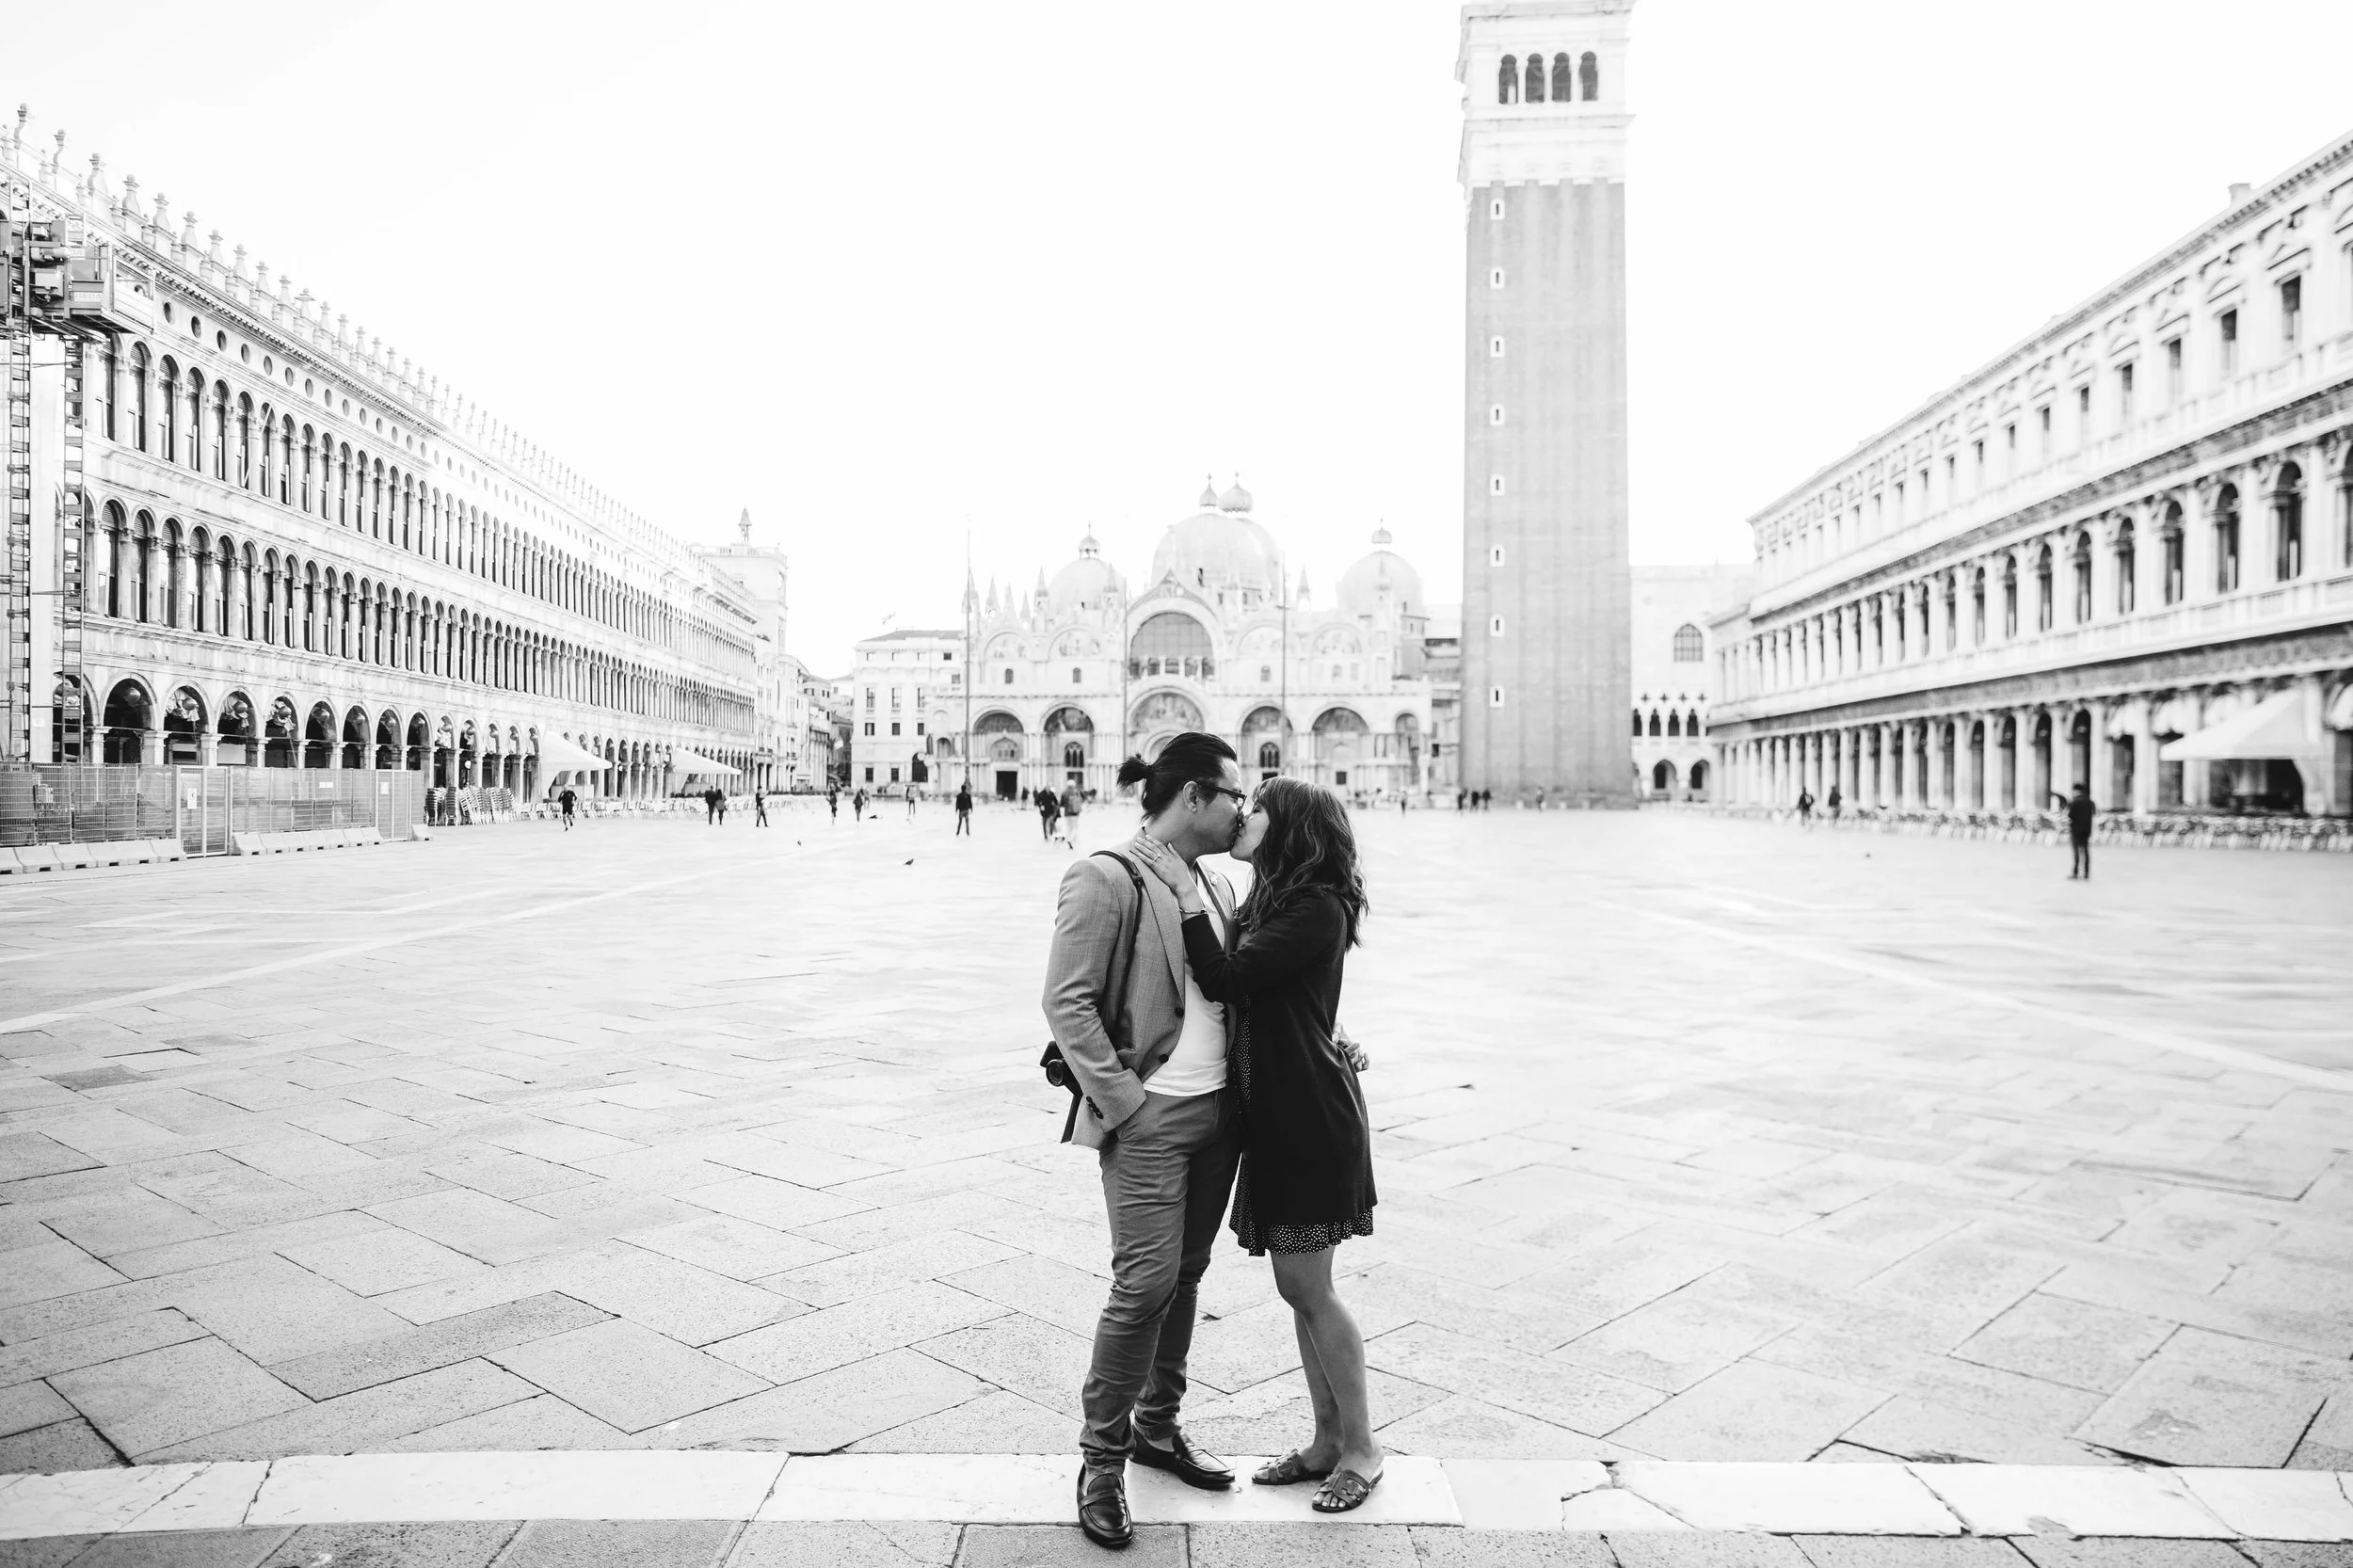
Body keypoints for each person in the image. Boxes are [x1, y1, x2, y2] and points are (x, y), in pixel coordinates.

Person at [1129, 777, 1381, 1514]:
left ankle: (1362, 1448)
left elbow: (1231, 979)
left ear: (1291, 829)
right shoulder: (1275, 898)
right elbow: (1291, 997)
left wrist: (1181, 893)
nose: (1246, 815)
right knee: (1297, 1289)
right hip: (1277, 1112)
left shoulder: (1316, 904)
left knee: (1309, 1288)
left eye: (1260, 808)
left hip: (1307, 1119)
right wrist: (1328, 1030)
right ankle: (1327, 1441)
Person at [1043, 734, 1250, 1550]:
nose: (1243, 809)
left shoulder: (1218, 884)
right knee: (1144, 1286)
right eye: (1233, 795)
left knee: (1186, 1276)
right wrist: (1128, 1107)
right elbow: (1068, 1001)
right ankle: (1103, 1457)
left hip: (1217, 1118)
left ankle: (1159, 1429)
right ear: (1195, 796)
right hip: (1151, 1121)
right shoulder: (1105, 875)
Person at [2055, 781, 2096, 879]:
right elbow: (2093, 814)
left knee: (2077, 851)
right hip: (2087, 829)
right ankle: (2086, 872)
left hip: (2076, 829)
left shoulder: (2074, 802)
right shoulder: (2089, 802)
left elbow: (2070, 815)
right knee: (2085, 851)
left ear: (2076, 791)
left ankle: (2075, 872)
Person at [1061, 781, 1084, 846]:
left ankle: (1068, 839)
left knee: (1068, 827)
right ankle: (1071, 840)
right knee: (1075, 827)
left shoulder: (1064, 793)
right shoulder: (1076, 792)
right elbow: (1081, 800)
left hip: (1066, 813)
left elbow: (1061, 804)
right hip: (1075, 813)